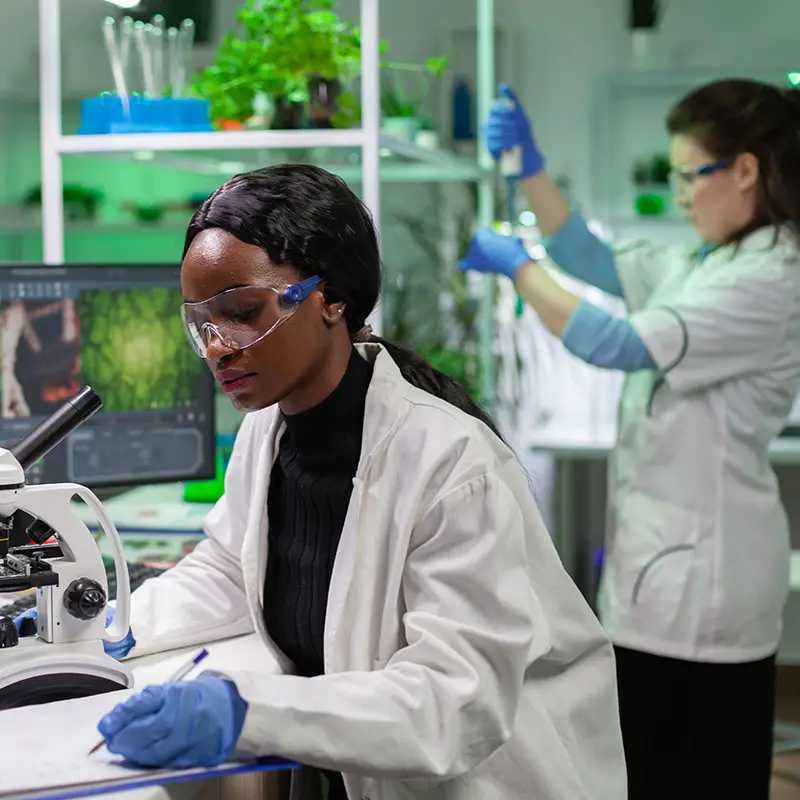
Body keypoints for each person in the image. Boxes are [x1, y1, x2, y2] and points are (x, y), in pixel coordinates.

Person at [24, 165, 626, 799]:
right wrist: (83, 630)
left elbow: (453, 703)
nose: (217, 347)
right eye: (200, 323)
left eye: (244, 312)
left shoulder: (449, 462)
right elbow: (231, 569)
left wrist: (246, 711)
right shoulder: (269, 431)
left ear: (331, 297)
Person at [459, 79, 800, 800]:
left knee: (694, 776)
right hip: (663, 578)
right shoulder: (708, 261)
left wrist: (517, 268)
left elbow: (614, 341)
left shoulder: (770, 275)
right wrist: (529, 167)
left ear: (744, 170)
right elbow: (588, 254)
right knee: (642, 767)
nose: (679, 193)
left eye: (688, 174)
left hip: (707, 589)